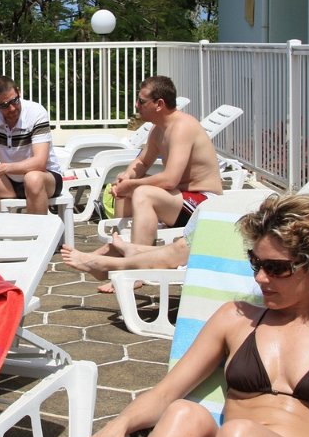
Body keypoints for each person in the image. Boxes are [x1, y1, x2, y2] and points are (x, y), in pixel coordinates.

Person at [64, 190, 309, 437]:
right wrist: (119, 424)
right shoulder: (236, 318)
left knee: (240, 433)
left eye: (276, 268)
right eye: (256, 263)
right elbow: (167, 392)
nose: (260, 278)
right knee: (184, 414)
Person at [73, 75, 222, 292]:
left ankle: (135, 273)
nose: (137, 105)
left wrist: (133, 185)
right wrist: (126, 177)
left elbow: (170, 178)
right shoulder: (158, 129)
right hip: (181, 200)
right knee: (126, 190)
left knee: (143, 193)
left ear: (159, 104)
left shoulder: (182, 127)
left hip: (204, 203)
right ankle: (118, 253)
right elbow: (142, 162)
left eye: (142, 101)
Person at [0, 75, 63, 214]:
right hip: (10, 182)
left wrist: (4, 168)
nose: (12, 108)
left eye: (15, 100)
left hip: (45, 178)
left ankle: (37, 229)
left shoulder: (36, 113)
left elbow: (40, 163)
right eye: (4, 105)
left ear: (19, 92)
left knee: (33, 179)